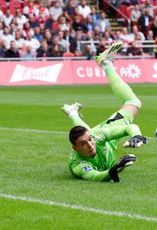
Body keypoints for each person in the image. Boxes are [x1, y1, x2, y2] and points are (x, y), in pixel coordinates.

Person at [61, 41, 147, 183]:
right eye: (83, 144)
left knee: (133, 103)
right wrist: (115, 169)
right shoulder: (77, 165)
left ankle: (106, 64)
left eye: (89, 141)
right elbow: (95, 176)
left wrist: (136, 136)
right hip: (105, 144)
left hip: (106, 133)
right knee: (88, 131)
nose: (89, 145)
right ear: (74, 149)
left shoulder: (97, 137)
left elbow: (129, 127)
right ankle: (72, 112)